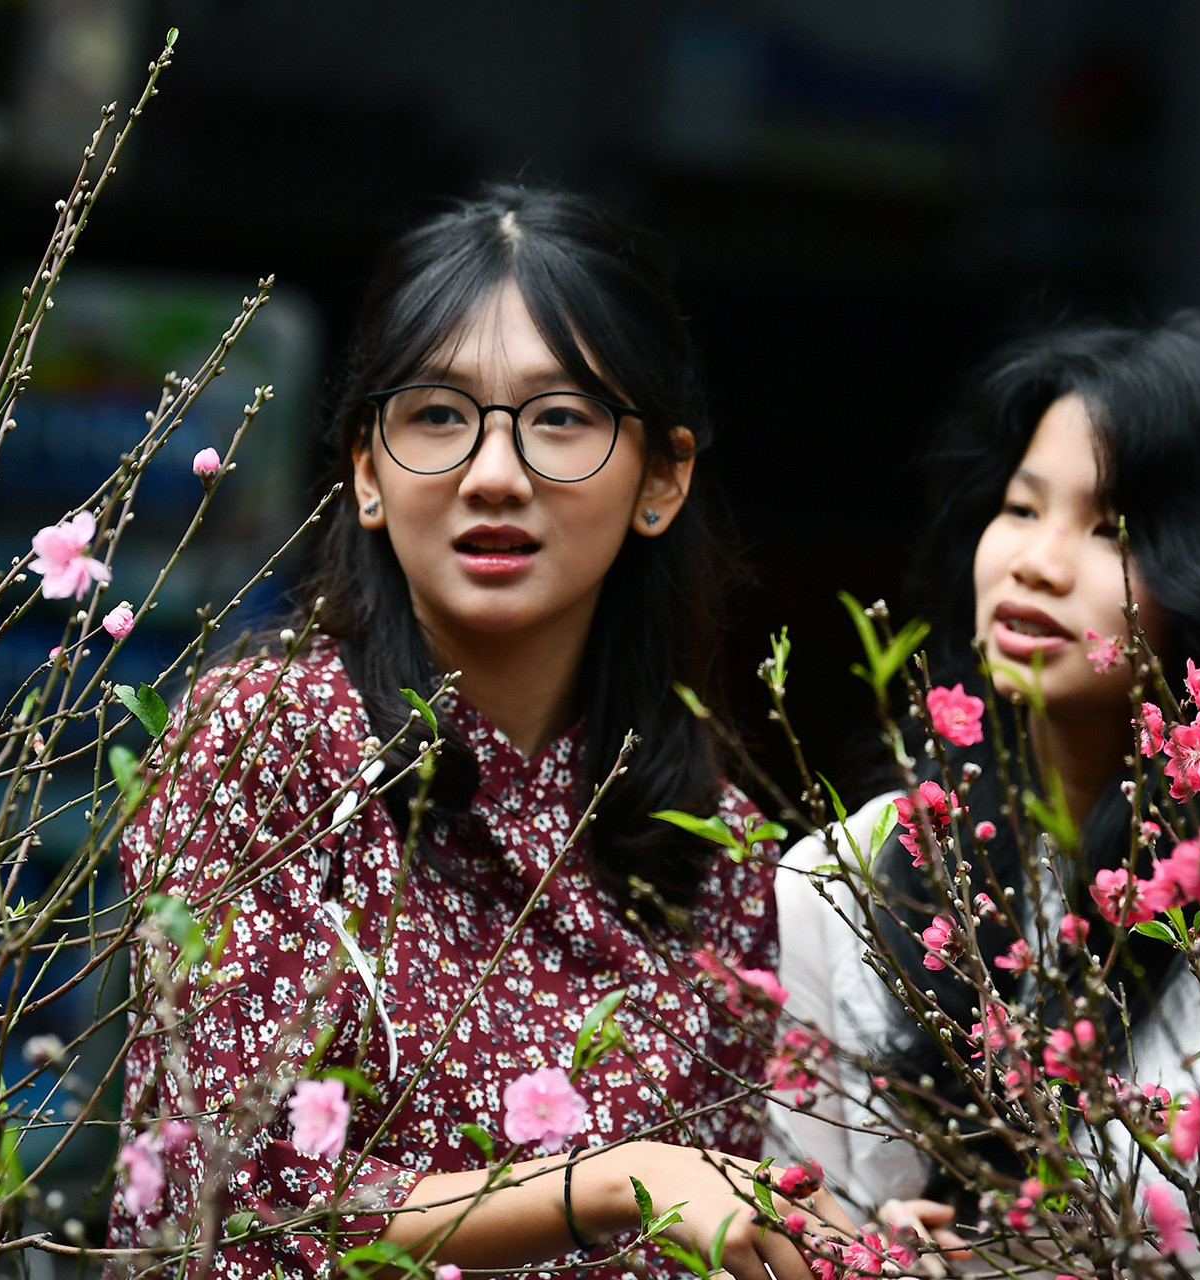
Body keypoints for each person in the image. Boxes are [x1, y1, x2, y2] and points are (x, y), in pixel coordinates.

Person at [109, 186, 868, 1280]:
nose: (495, 474)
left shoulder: (718, 846)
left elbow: (727, 1230)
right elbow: (224, 1213)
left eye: (560, 418)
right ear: (367, 471)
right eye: (437, 416)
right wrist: (615, 1180)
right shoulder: (266, 743)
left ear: (662, 477)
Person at [770, 313, 1200, 1272]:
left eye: (1109, 530)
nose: (1036, 561)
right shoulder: (839, 885)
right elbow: (791, 1230)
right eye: (1019, 508)